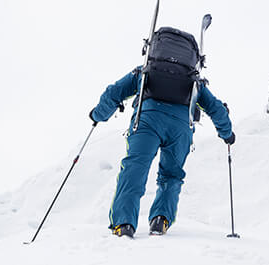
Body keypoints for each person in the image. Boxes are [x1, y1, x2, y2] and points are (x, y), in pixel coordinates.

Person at [89, 30, 234, 238]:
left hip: (147, 120)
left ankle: (124, 224)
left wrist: (97, 115)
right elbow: (216, 109)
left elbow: (114, 92)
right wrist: (227, 135)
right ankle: (160, 220)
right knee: (171, 175)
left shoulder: (144, 72)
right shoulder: (194, 82)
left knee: (135, 169)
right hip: (180, 128)